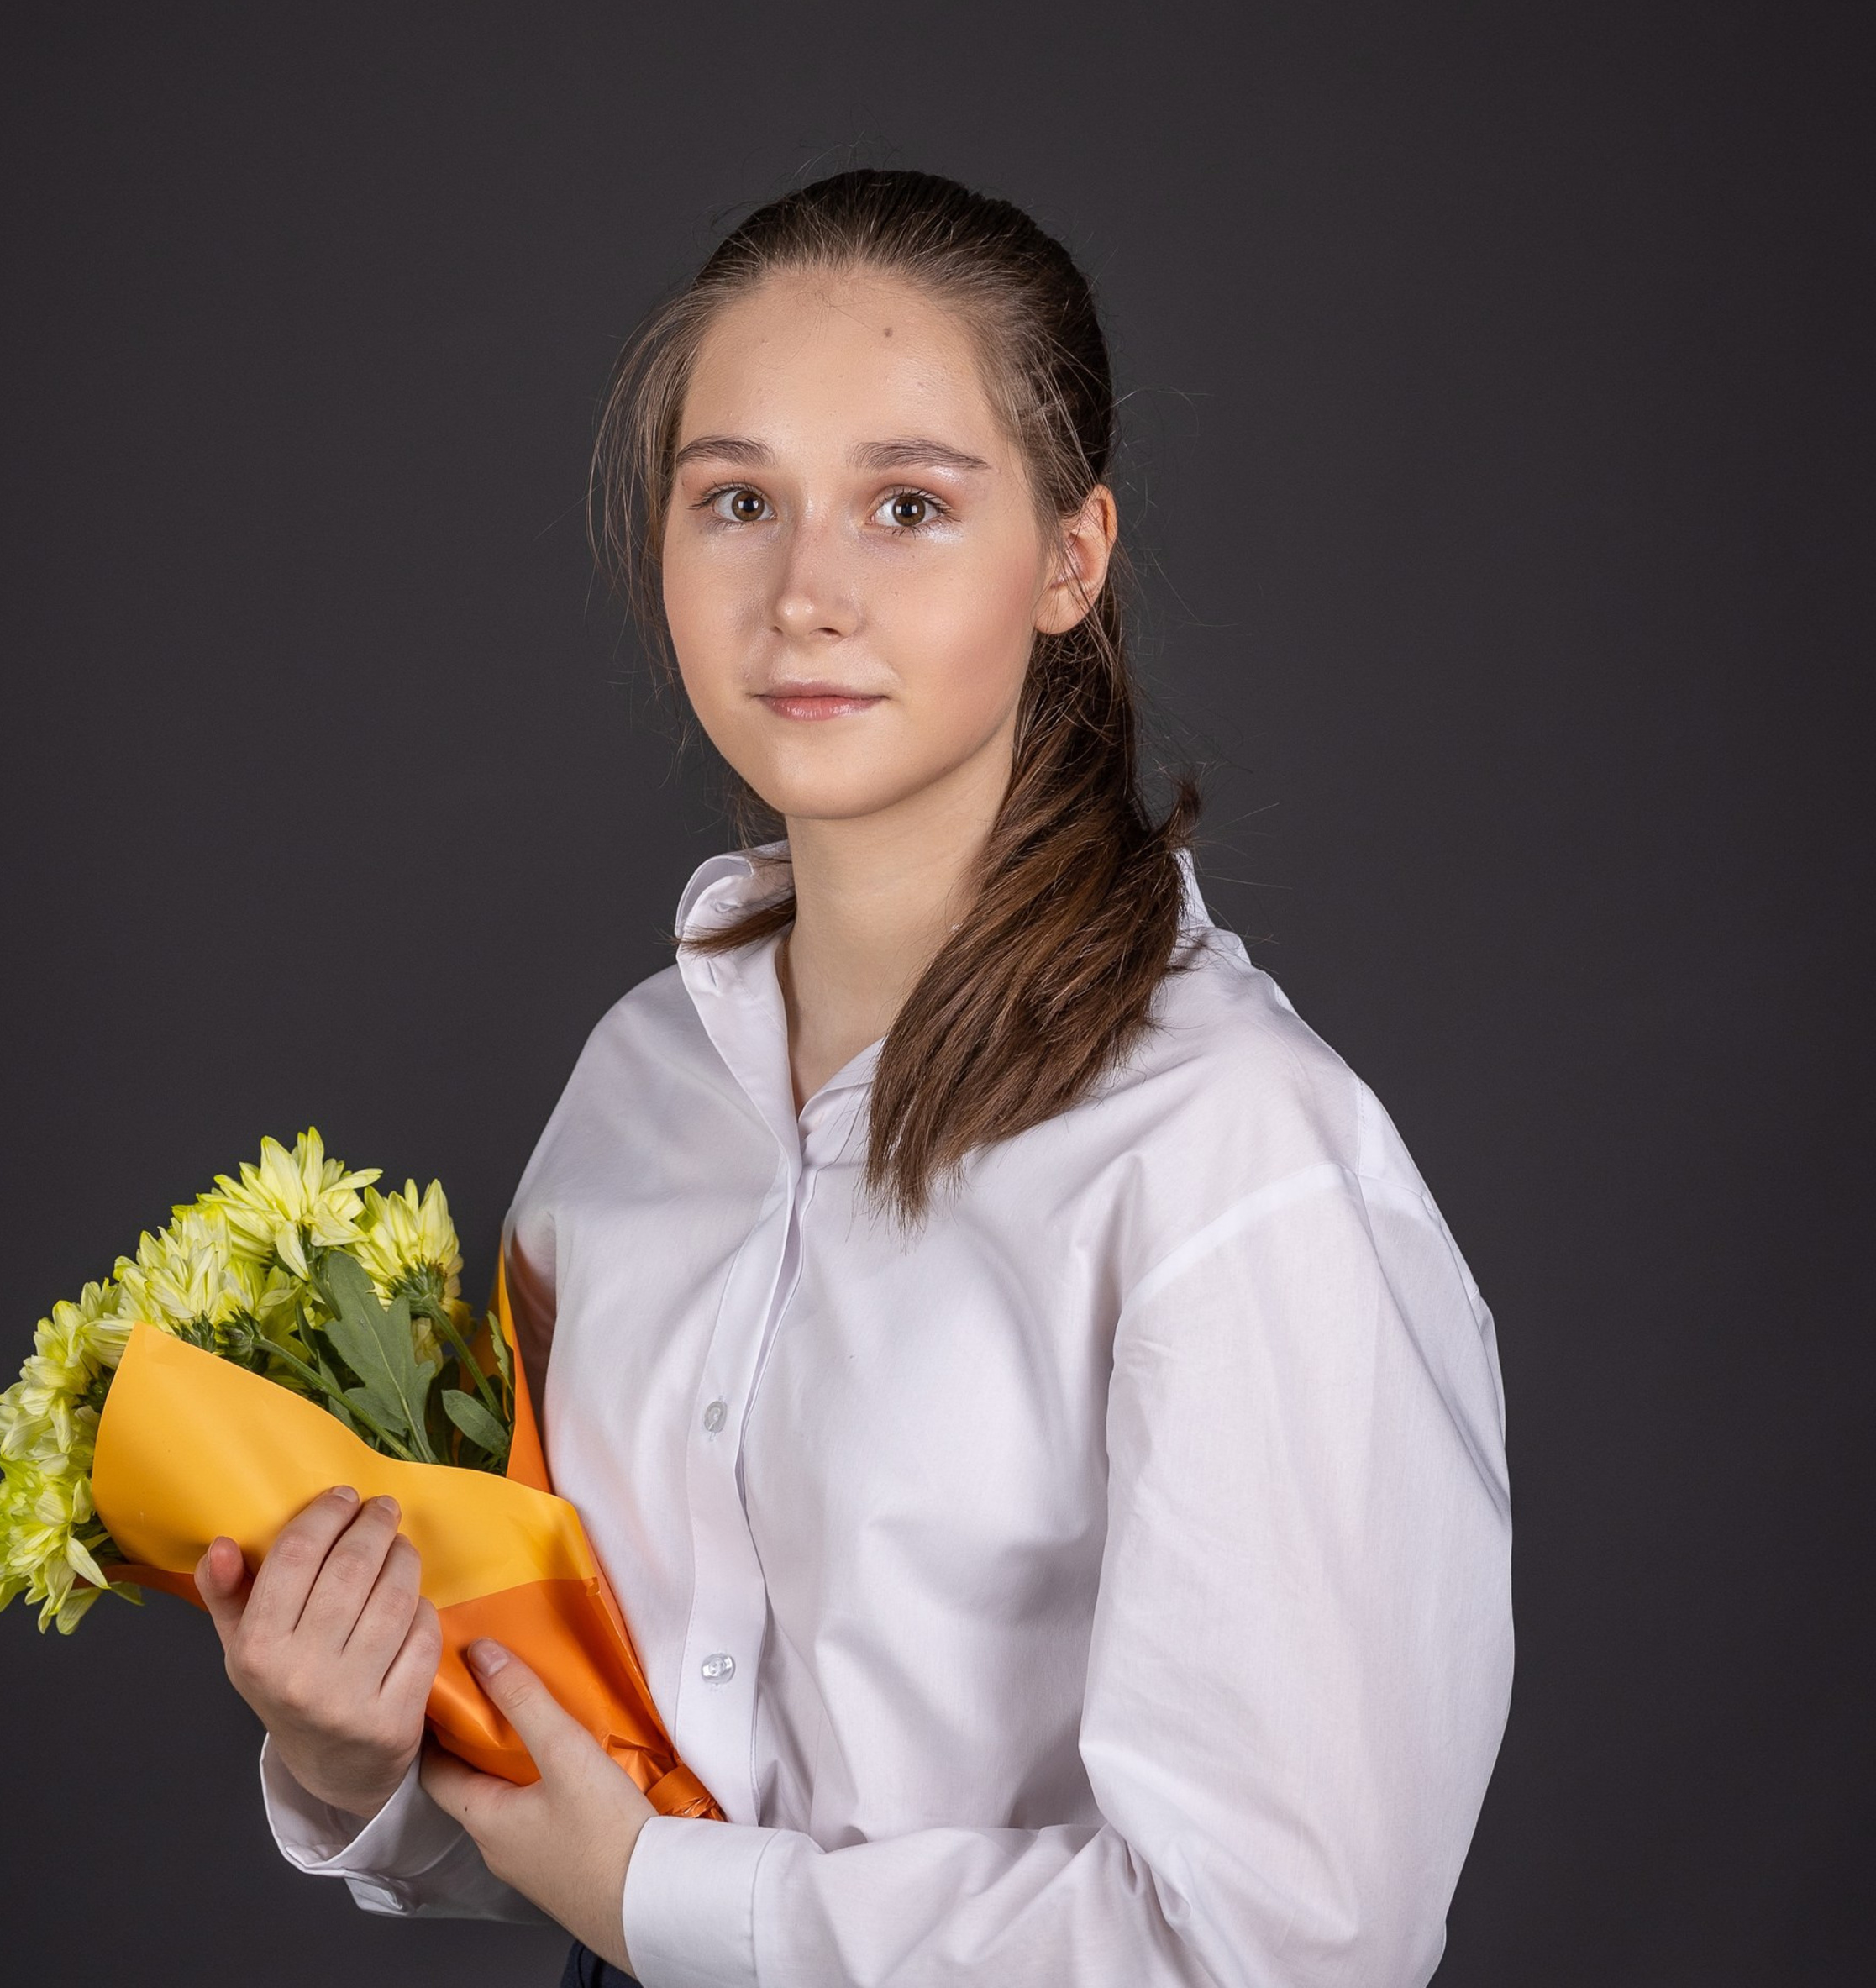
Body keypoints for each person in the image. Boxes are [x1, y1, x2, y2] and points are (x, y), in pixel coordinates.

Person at [190, 169, 1513, 1988]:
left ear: (1069, 556)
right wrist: (357, 1756)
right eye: (735, 499)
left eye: (906, 505)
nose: (803, 594)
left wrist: (662, 1897)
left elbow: (1284, 1940)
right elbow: (612, 1782)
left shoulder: (1231, 1154)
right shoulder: (636, 1089)